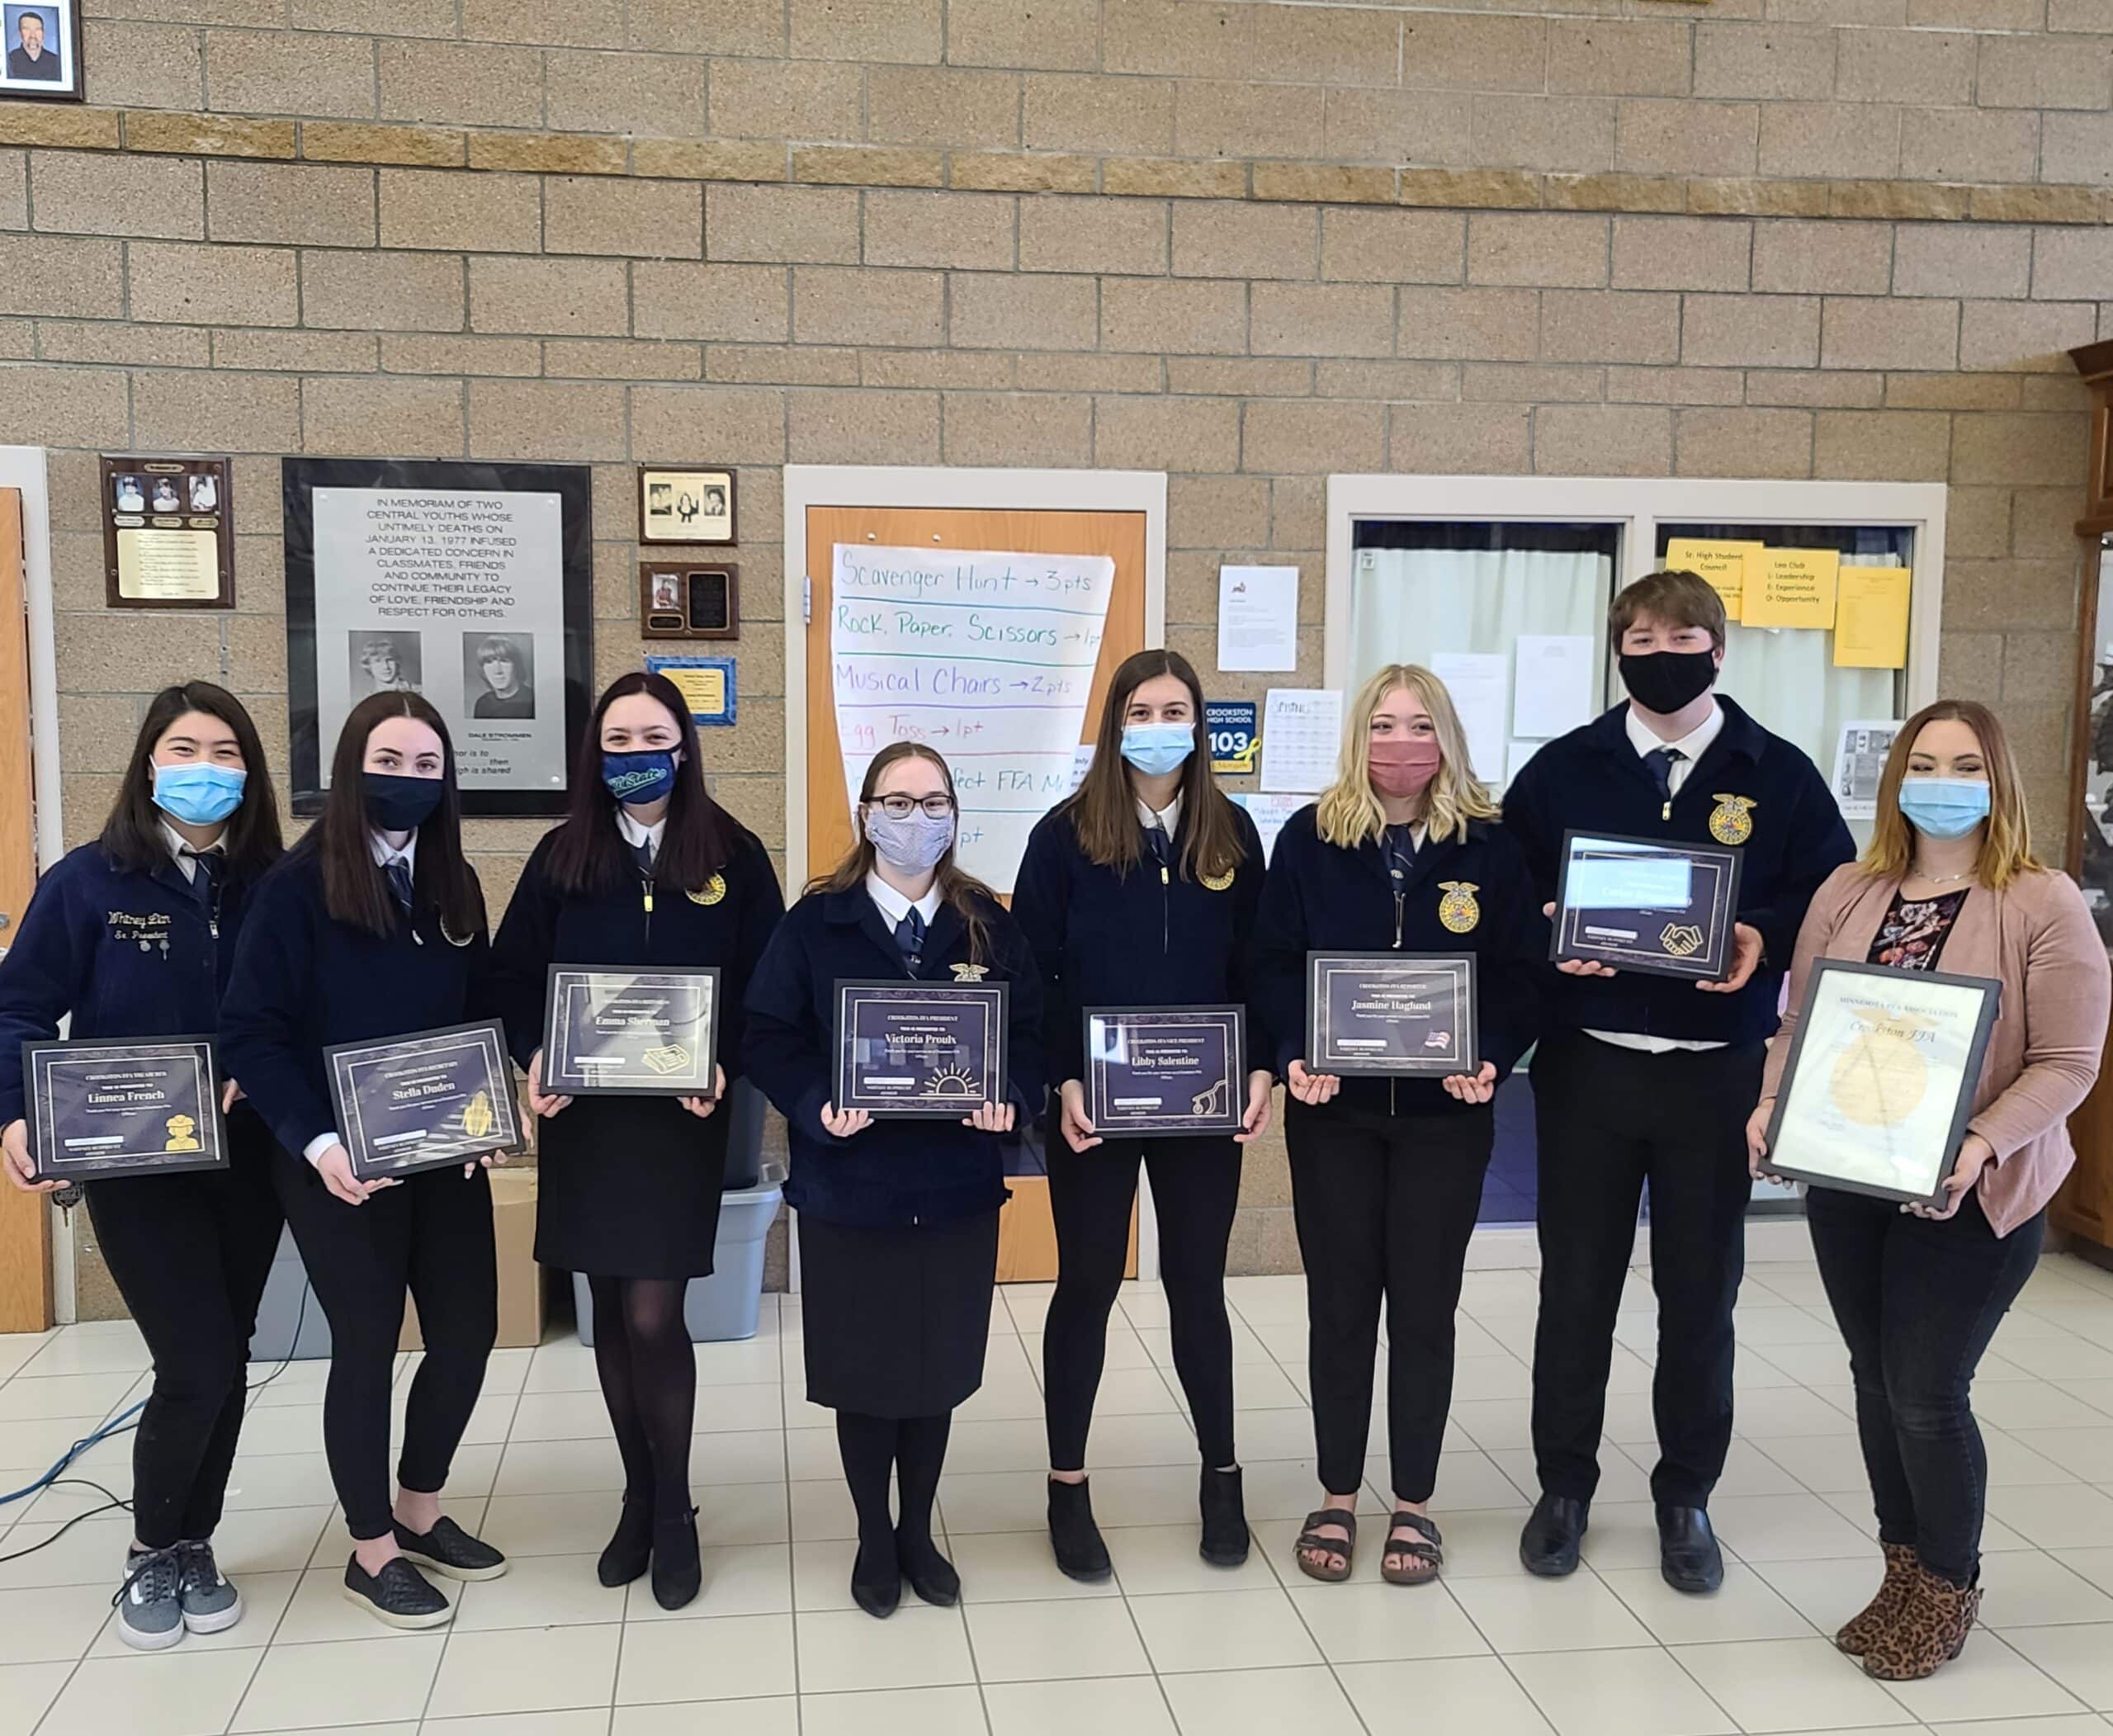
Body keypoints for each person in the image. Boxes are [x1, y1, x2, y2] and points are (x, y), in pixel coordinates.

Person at [1503, 569, 1855, 1594]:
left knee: (1700, 1296)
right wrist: (1546, 933)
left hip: (1714, 1076)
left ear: (1718, 649)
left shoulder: (1776, 774)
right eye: (1642, 640)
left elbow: (1828, 897)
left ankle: (1685, 1494)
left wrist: (1761, 935)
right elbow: (1509, 887)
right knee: (1575, 1290)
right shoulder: (1563, 769)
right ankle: (1563, 1487)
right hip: (1588, 1068)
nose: (1662, 655)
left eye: (1681, 637)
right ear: (1618, 652)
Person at [1747, 700, 2107, 1679]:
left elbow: (2069, 1062)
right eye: (1923, 764)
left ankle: (1948, 1585)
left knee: (1926, 1393)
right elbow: (1799, 1022)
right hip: (1849, 1181)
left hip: (1974, 1192)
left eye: (1964, 767)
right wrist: (1773, 1103)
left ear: (1998, 782)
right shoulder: (1849, 889)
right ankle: (1900, 1571)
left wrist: (1981, 1143)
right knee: (1873, 1380)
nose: (1941, 784)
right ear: (1895, 778)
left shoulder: (2042, 900)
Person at [0, 685, 284, 1650]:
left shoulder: (275, 885)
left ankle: (196, 1540)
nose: (206, 768)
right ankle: (150, 1547)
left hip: (249, 1160)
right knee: (194, 1358)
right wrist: (15, 1115)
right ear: (149, 764)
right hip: (135, 1165)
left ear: (249, 771)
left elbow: (303, 1009)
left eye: (226, 751)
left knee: (230, 1353)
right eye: (184, 748)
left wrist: (260, 1066)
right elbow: (18, 1010)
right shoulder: (88, 882)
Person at [492, 672, 783, 1610]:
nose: (636, 756)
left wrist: (725, 1064)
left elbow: (769, 987)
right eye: (617, 741)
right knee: (609, 1316)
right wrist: (534, 1053)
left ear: (684, 747)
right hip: (588, 1122)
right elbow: (510, 978)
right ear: (596, 753)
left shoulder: (733, 853)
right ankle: (637, 1495)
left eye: (654, 738)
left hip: (681, 1120)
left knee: (655, 1316)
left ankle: (675, 1509)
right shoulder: (561, 854)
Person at [220, 692, 509, 1630]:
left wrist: (486, 1111)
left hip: (442, 1154)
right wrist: (316, 1142)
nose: (408, 779)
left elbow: (480, 1008)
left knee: (467, 1333)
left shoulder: (453, 880)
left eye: (428, 765)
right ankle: (371, 1546)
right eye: (391, 761)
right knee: (368, 1341)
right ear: (352, 768)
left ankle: (419, 1508)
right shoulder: (297, 887)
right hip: (337, 1163)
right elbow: (252, 1033)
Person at [1251, 664, 1543, 1587]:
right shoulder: (1310, 838)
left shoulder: (1489, 846)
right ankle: (1337, 1493)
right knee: (1339, 1309)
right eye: (1382, 724)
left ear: (1445, 738)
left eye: (1420, 725)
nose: (1400, 743)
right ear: (1358, 736)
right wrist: (1294, 1050)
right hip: (1332, 1114)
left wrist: (1491, 1052)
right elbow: (1271, 961)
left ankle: (1413, 1501)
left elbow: (1521, 971)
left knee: (1423, 1309)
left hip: (1443, 1119)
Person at [744, 742, 1041, 1619]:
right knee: (864, 1371)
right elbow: (766, 1036)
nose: (918, 819)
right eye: (899, 803)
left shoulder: (987, 923)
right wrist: (814, 1103)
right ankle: (874, 1534)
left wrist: (1013, 1097)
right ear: (866, 815)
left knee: (936, 1368)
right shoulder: (815, 923)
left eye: (935, 802)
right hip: (851, 1187)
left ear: (954, 815)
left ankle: (918, 1531)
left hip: (955, 1188)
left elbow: (1034, 1032)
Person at [1012, 649, 1269, 1579]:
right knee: (1087, 1286)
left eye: (1175, 710)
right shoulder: (1064, 836)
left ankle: (1221, 1477)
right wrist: (1060, 1081)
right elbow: (1031, 974)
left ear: (1199, 724)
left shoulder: (1232, 833)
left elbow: (1259, 966)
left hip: (1202, 1103)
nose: (1159, 726)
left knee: (1198, 1285)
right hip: (1096, 1102)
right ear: (1115, 723)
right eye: (1141, 710)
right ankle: (1067, 1485)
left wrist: (1261, 1068)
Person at [470, 636, 533, 720]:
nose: (498, 671)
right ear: (483, 670)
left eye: (504, 661)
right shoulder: (483, 704)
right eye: (489, 662)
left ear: (516, 666)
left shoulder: (532, 701)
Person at [6, 8, 61, 79]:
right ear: (20, 33)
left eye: (37, 29)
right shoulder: (9, 61)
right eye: (27, 29)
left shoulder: (56, 62)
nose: (32, 35)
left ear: (43, 33)